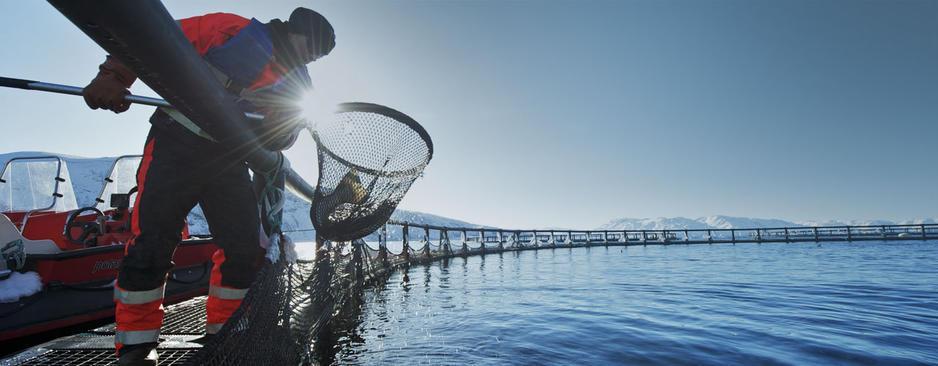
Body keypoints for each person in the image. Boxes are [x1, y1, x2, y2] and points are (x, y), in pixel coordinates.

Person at [82, 8, 335, 366]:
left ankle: (229, 333)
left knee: (243, 249)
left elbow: (286, 134)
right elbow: (153, 39)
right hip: (175, 142)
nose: (313, 57)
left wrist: (281, 133)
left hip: (229, 158)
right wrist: (115, 77)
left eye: (319, 56)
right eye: (315, 48)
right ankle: (136, 347)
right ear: (298, 32)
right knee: (151, 242)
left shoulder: (298, 83)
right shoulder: (230, 28)